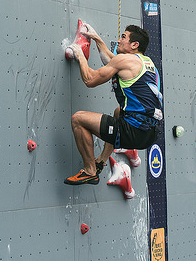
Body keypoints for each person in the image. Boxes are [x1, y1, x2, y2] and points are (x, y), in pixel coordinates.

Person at [64, 24, 163, 186]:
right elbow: (112, 61)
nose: (119, 40)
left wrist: (80, 54)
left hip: (133, 132)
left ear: (134, 45)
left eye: (123, 37)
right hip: (149, 135)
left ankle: (90, 171)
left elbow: (90, 80)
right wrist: (96, 39)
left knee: (78, 119)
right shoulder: (146, 62)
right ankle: (101, 161)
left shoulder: (125, 60)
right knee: (118, 112)